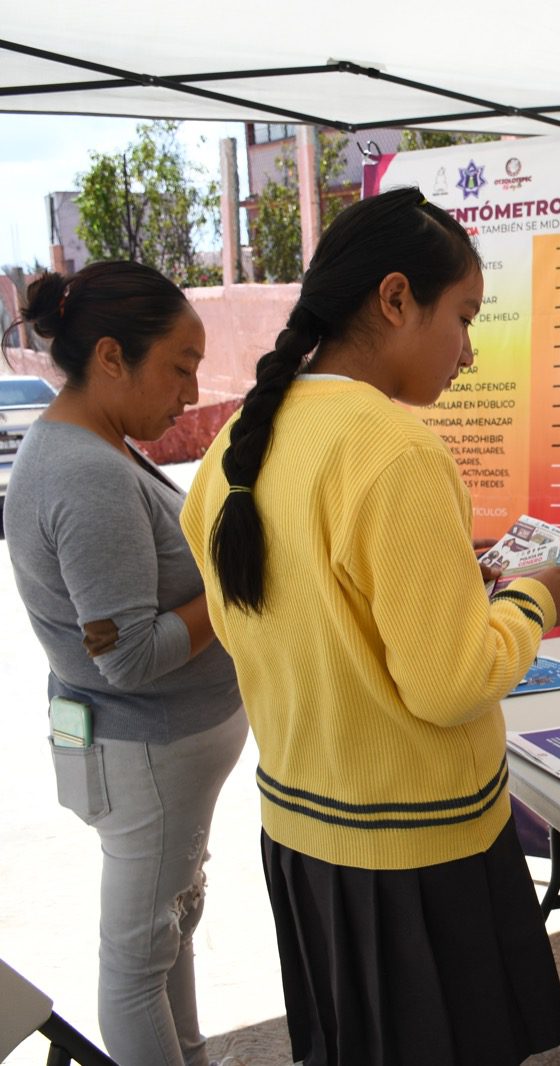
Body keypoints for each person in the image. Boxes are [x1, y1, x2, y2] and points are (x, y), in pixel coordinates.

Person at [179, 187, 560, 1065]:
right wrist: (533, 599)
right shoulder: (394, 450)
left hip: (303, 834)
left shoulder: (234, 446)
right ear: (396, 299)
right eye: (464, 318)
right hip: (416, 854)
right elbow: (446, 687)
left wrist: (450, 590)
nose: (469, 353)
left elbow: (294, 620)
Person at [3, 262, 246, 1066]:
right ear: (112, 356)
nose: (190, 388)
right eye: (179, 365)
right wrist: (237, 587)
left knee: (167, 933)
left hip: (160, 753)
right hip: (146, 750)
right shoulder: (85, 472)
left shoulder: (99, 444)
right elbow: (131, 657)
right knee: (140, 962)